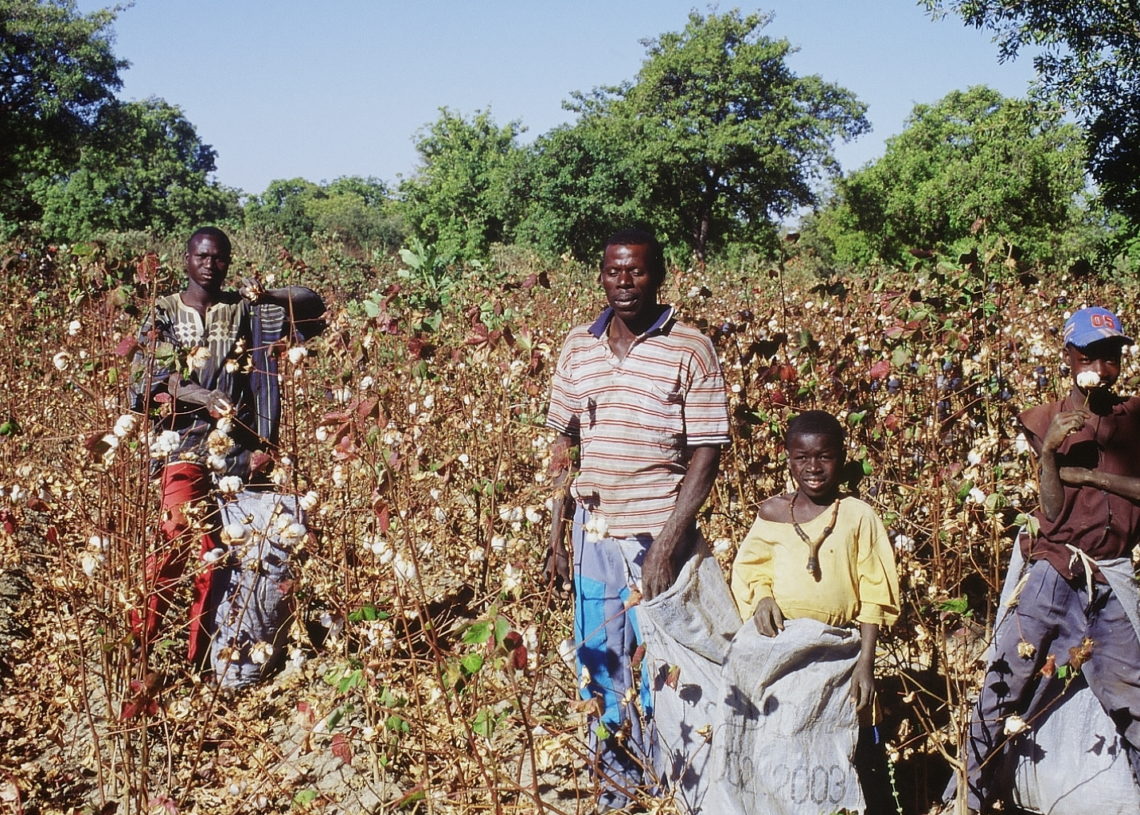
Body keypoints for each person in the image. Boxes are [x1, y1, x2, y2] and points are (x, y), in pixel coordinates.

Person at [545, 227, 730, 809]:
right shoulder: (578, 345)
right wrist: (556, 534)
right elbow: (562, 446)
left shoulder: (691, 347)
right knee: (600, 658)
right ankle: (618, 790)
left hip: (657, 533)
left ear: (660, 274)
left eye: (637, 272)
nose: (624, 283)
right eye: (614, 272)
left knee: (659, 665)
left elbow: (708, 451)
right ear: (600, 275)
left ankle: (667, 782)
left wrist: (669, 540)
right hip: (592, 535)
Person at [962, 306, 1140, 812]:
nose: (1103, 368)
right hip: (1053, 572)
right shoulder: (1046, 421)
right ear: (1068, 356)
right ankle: (965, 799)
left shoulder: (1135, 417)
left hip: (1110, 574)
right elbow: (1054, 514)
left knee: (1132, 693)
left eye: (1112, 357)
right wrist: (1049, 457)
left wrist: (1089, 477)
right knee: (1004, 684)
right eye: (1091, 356)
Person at [128, 226, 325, 665]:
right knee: (177, 541)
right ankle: (137, 649)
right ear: (185, 259)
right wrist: (201, 396)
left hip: (239, 451)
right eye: (201, 256)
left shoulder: (245, 311)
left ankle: (202, 662)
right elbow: (143, 384)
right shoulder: (162, 312)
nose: (209, 265)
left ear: (228, 262)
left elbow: (313, 306)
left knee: (226, 558)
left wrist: (267, 294)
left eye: (218, 258)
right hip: (182, 444)